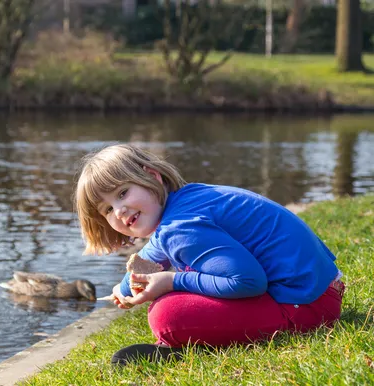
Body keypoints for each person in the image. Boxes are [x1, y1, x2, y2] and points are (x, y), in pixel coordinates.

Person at [74, 144, 344, 366]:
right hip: (320, 288)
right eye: (107, 209)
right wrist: (124, 288)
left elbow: (248, 282)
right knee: (188, 277)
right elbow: (153, 252)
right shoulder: (185, 201)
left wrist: (172, 281)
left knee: (167, 315)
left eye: (122, 193)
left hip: (307, 305)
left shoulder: (179, 227)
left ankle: (187, 344)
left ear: (152, 177)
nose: (119, 210)